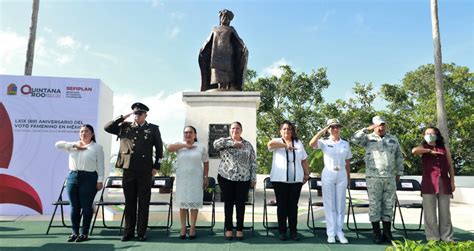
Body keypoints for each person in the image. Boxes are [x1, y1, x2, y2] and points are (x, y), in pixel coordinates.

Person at [104, 102, 163, 242]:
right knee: (129, 202)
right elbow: (107, 127)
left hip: (145, 170)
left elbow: (160, 150)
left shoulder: (153, 129)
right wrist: (122, 118)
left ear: (145, 115)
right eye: (135, 113)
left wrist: (156, 167)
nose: (137, 115)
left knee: (143, 202)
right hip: (128, 169)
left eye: (140, 113)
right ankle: (128, 232)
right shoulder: (125, 127)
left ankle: (141, 232)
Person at [351, 115, 404, 244]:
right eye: (378, 125)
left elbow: (399, 156)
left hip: (390, 176)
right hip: (373, 177)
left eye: (382, 125)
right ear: (374, 126)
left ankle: (387, 232)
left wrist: (400, 172)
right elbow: (353, 139)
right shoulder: (368, 139)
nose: (381, 127)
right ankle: (376, 232)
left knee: (388, 204)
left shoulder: (393, 139)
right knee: (375, 204)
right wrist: (365, 129)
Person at [55, 124, 104, 242]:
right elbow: (57, 145)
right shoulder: (72, 146)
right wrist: (74, 145)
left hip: (89, 177)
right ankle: (74, 232)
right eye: (81, 131)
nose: (83, 133)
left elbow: (101, 166)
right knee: (74, 206)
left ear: (92, 134)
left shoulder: (97, 147)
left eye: (86, 131)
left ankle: (84, 233)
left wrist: (100, 180)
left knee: (86, 207)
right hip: (72, 177)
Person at [309, 119, 351, 244]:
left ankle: (340, 232)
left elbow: (347, 161)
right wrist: (322, 130)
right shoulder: (324, 142)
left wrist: (348, 177)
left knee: (340, 204)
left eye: (337, 126)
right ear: (328, 129)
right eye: (332, 127)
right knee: (330, 204)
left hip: (342, 174)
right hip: (328, 173)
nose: (335, 129)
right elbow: (311, 143)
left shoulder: (345, 143)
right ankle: (331, 233)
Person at [268, 120, 310, 241]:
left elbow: (304, 159)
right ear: (281, 131)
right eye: (285, 129)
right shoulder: (277, 141)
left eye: (289, 129)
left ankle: (293, 231)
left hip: (296, 180)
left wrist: (306, 174)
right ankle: (282, 231)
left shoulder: (298, 142)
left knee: (293, 206)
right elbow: (270, 145)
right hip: (279, 180)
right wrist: (285, 145)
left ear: (292, 131)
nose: (287, 131)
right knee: (282, 206)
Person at [213, 121, 256, 240]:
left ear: (241, 130)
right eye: (232, 128)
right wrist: (233, 143)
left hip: (243, 178)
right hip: (226, 177)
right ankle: (228, 229)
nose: (234, 130)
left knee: (240, 204)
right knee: (228, 203)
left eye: (237, 128)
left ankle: (240, 229)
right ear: (230, 130)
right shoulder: (224, 142)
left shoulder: (248, 145)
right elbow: (215, 144)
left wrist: (253, 178)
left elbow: (253, 162)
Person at [412, 126, 455, 241]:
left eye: (431, 133)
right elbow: (414, 151)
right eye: (426, 133)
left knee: (445, 212)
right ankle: (433, 238)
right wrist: (429, 151)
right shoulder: (423, 148)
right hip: (429, 183)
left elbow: (450, 166)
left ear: (437, 134)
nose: (429, 135)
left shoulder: (444, 148)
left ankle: (447, 237)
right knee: (430, 213)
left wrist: (452, 182)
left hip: (444, 183)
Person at [167, 126, 209, 240]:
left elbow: (206, 162)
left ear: (195, 134)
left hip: (196, 178)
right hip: (182, 179)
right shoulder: (179, 145)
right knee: (183, 204)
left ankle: (192, 228)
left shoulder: (201, 146)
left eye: (190, 132)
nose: (188, 134)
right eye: (185, 132)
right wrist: (186, 145)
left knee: (193, 203)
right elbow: (169, 148)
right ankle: (183, 228)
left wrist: (205, 177)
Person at [199, 9, 248, 91]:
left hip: (227, 54)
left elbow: (238, 40)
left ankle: (227, 86)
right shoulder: (215, 29)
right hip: (216, 54)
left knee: (228, 71)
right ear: (220, 18)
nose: (225, 19)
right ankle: (219, 86)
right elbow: (208, 41)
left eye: (227, 18)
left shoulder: (231, 29)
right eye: (224, 17)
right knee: (217, 72)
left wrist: (243, 47)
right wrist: (202, 49)